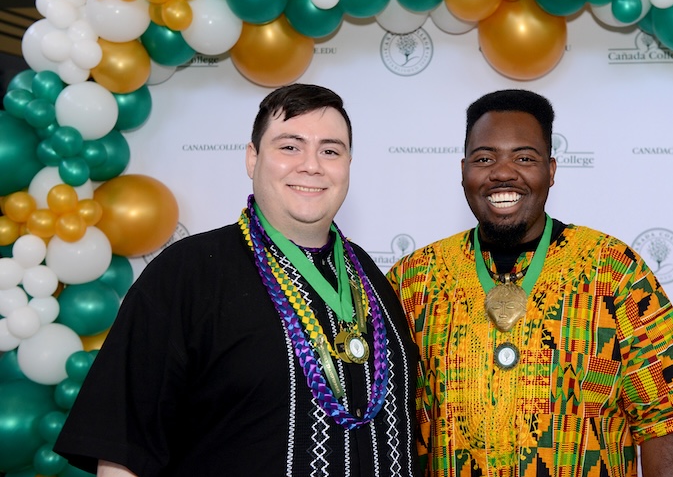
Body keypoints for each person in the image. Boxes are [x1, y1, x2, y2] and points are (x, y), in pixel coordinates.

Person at [55, 84, 420, 477]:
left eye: (330, 150)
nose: (312, 165)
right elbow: (122, 449)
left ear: (348, 164)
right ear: (252, 158)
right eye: (289, 146)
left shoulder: (370, 277)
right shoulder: (187, 273)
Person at [387, 89, 673, 477]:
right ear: (463, 170)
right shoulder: (414, 278)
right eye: (485, 158)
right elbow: (386, 419)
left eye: (524, 158)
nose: (503, 172)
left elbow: (667, 417)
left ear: (551, 170)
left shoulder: (613, 269)